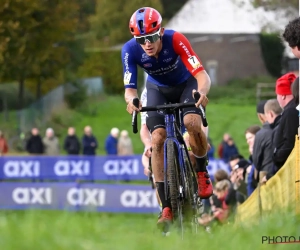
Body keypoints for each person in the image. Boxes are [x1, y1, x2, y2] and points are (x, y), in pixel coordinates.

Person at [122, 7, 213, 226]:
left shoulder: (176, 40)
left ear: (160, 32)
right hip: (158, 90)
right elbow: (130, 89)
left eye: (152, 37)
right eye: (141, 39)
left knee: (191, 122)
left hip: (186, 84)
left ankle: (201, 171)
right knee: (157, 139)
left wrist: (201, 93)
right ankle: (165, 207)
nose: (147, 44)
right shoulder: (129, 50)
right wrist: (132, 101)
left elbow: (202, 75)